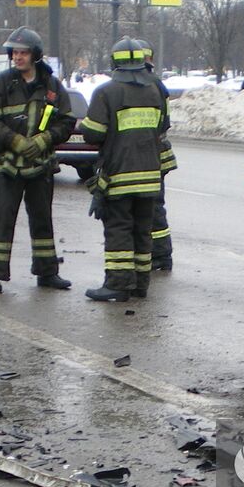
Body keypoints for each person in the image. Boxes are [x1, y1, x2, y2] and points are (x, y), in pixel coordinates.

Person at [0, 27, 76, 294]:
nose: (18, 58)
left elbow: (66, 121)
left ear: (35, 55)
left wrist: (43, 141)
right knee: (1, 220)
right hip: (6, 167)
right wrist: (16, 141)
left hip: (40, 167)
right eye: (15, 53)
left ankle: (47, 273)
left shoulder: (52, 87)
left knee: (42, 220)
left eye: (23, 53)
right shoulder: (0, 83)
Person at [80, 37, 168, 302]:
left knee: (119, 228)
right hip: (151, 175)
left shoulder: (107, 92)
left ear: (113, 62)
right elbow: (162, 126)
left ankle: (118, 284)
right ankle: (140, 283)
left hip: (119, 175)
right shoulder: (156, 90)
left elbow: (93, 134)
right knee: (143, 229)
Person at [136, 39, 176, 271]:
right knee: (155, 205)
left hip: (149, 154)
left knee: (152, 207)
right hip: (156, 154)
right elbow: (165, 122)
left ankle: (159, 254)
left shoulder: (147, 85)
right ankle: (159, 253)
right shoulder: (158, 84)